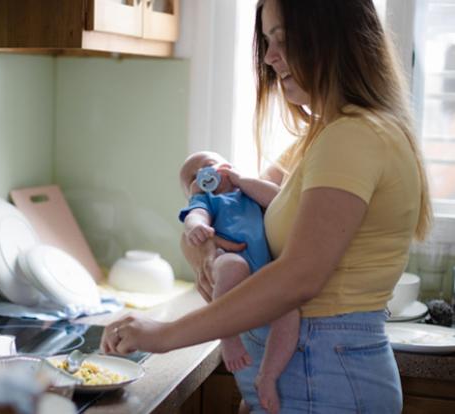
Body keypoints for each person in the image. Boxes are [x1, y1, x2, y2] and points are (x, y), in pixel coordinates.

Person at [101, 0, 432, 413]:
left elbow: (299, 277)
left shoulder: (353, 138)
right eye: (267, 40)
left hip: (324, 373)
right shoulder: (323, 137)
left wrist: (163, 334)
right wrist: (202, 246)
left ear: (333, 39)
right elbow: (230, 206)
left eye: (285, 40)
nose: (271, 57)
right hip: (313, 372)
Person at [179, 150, 299, 411]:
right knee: (233, 265)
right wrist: (196, 228)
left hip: (262, 273)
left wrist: (241, 180)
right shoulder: (206, 201)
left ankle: (267, 376)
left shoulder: (249, 192)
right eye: (194, 176)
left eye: (211, 165)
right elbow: (193, 216)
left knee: (289, 312)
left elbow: (279, 199)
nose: (204, 173)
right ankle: (228, 337)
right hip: (230, 262)